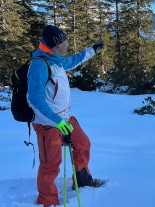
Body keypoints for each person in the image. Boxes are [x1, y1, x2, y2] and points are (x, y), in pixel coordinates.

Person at [27, 25, 104, 207]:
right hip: (48, 123)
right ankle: (48, 201)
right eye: (64, 40)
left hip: (65, 118)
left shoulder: (57, 60)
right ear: (56, 45)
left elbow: (74, 60)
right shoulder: (39, 64)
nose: (68, 43)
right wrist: (56, 121)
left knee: (83, 144)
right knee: (50, 164)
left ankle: (82, 180)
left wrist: (92, 50)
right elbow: (34, 99)